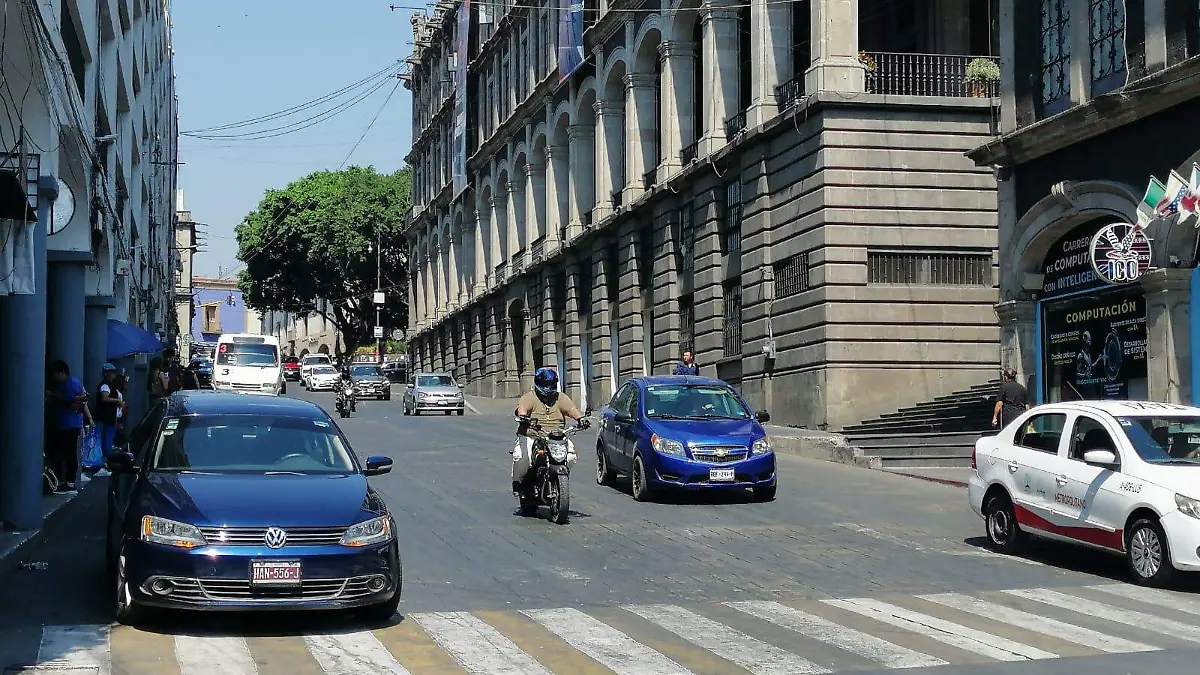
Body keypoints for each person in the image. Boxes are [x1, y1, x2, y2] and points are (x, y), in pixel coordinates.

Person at [512, 368, 588, 494]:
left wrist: (581, 419)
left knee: (570, 456)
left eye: (551, 384)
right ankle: (518, 482)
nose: (548, 387)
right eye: (546, 384)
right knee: (521, 457)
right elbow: (522, 409)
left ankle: (559, 479)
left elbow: (571, 410)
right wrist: (523, 418)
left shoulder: (560, 397)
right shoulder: (530, 397)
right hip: (532, 436)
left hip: (557, 437)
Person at [45, 360, 93, 493]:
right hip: (67, 424)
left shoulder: (71, 385)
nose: (53, 377)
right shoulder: (70, 383)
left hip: (69, 425)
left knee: (69, 453)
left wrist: (53, 397)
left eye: (55, 374)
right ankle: (65, 481)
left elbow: (75, 404)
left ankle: (70, 483)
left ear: (62, 372)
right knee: (66, 453)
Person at [95, 363, 122, 459]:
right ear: (107, 374)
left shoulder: (111, 385)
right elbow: (104, 398)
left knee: (107, 440)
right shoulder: (105, 386)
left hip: (109, 418)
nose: (114, 376)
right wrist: (117, 401)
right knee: (106, 441)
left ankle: (104, 460)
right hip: (106, 418)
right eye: (112, 373)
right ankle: (104, 461)